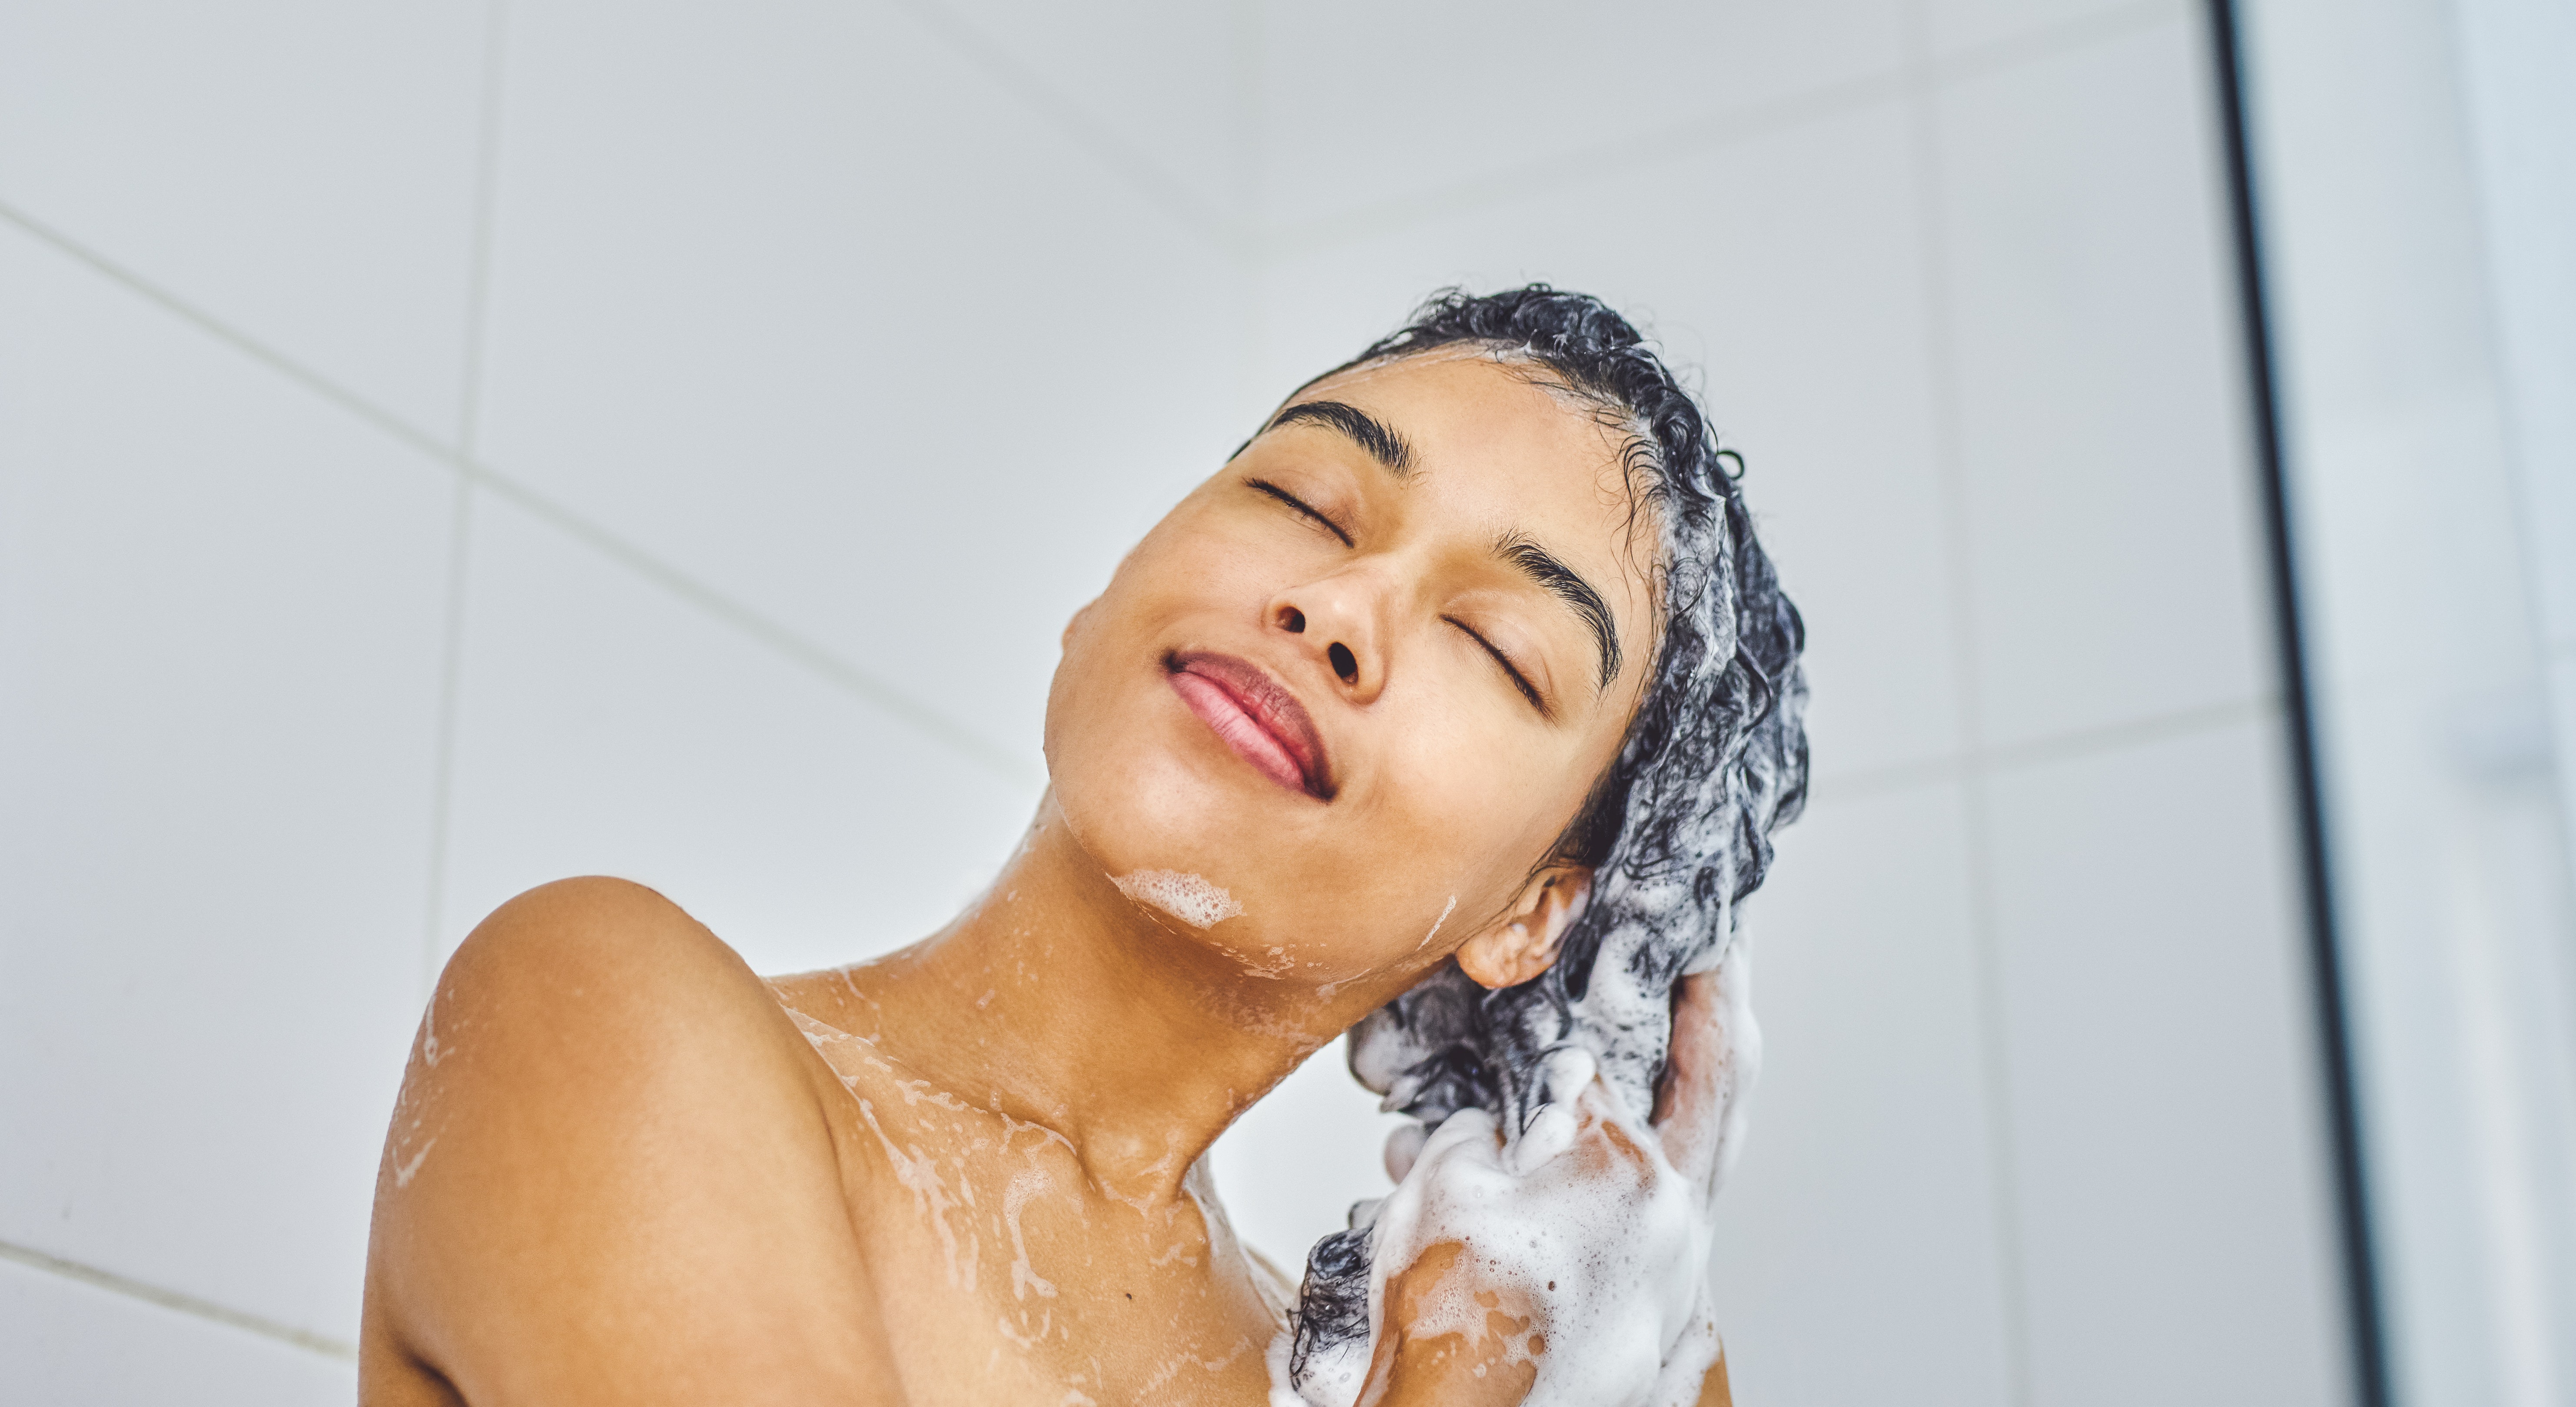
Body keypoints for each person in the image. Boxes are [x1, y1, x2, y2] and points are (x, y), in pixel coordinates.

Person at [359, 286, 1806, 1407]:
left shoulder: (1381, 1372)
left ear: (1532, 916)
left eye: (1496, 641)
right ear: (1107, 598)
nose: (1339, 606)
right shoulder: (602, 1020)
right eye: (1302, 501)